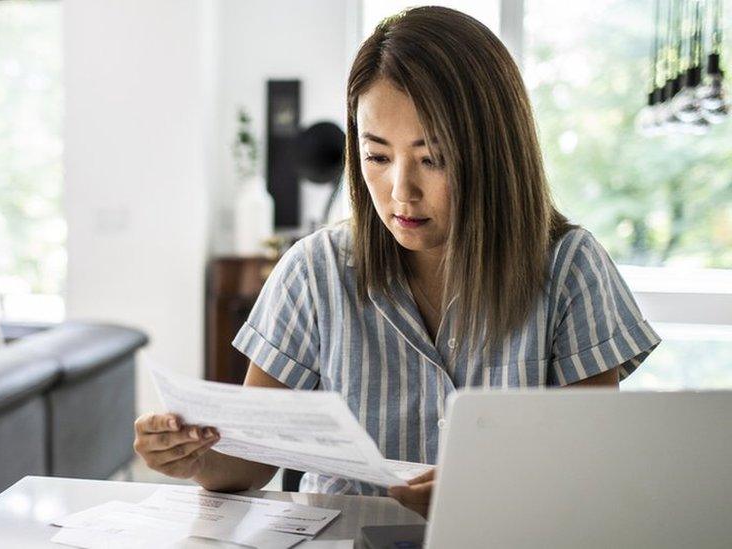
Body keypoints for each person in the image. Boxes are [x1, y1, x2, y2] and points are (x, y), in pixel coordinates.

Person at [133, 6, 660, 517]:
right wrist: (195, 457)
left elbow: (593, 469)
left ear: (494, 153)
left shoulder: (570, 269)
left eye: (433, 159)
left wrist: (485, 490)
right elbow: (248, 463)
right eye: (377, 156)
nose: (400, 191)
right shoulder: (316, 270)